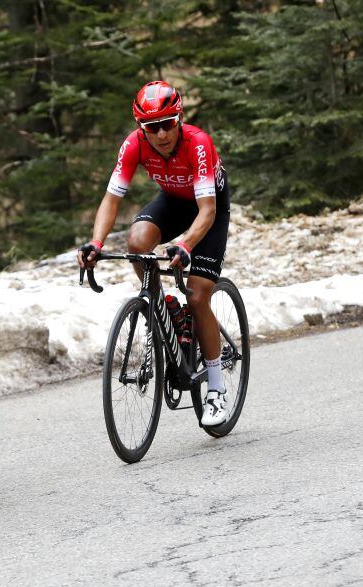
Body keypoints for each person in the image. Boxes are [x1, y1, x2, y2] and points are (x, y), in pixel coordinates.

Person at [78, 80, 231, 426]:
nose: (161, 134)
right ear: (141, 128)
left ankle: (216, 388)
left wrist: (186, 244)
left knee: (198, 295)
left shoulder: (198, 144)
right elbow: (111, 200)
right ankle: (165, 306)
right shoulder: (133, 145)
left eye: (167, 124)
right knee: (136, 243)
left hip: (208, 209)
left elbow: (206, 211)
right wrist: (96, 243)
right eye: (151, 127)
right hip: (173, 202)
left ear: (179, 119)